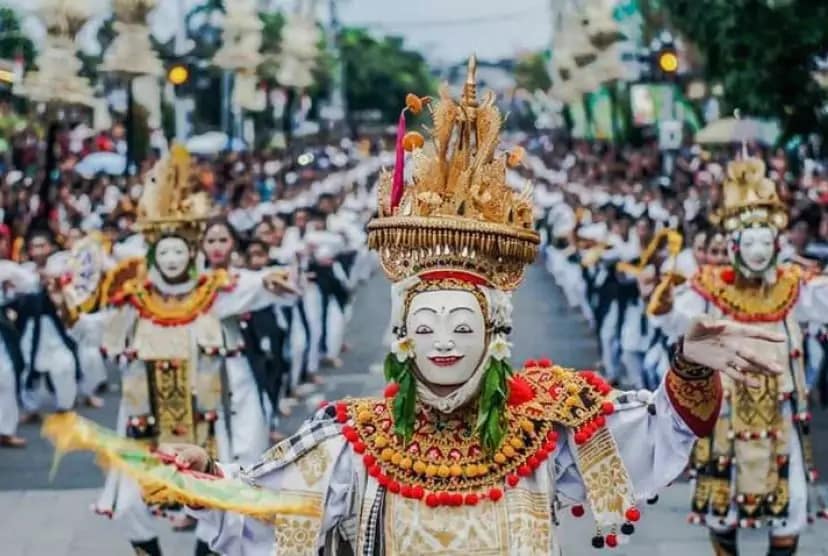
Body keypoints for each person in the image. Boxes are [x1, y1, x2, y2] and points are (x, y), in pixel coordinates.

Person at [130, 61, 782, 555]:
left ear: (495, 332)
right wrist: (205, 477)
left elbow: (658, 433)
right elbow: (262, 504)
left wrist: (688, 364)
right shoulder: (354, 440)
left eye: (462, 325)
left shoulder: (543, 427)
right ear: (403, 336)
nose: (444, 341)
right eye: (428, 325)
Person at [85, 146, 297, 556]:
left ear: (191, 254)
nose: (171, 258)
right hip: (147, 423)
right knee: (129, 506)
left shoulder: (213, 293)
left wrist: (272, 280)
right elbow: (96, 328)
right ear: (152, 255)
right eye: (163, 251)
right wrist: (72, 311)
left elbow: (255, 285)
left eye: (178, 250)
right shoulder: (135, 300)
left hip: (207, 423)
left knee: (212, 502)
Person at [649, 154, 828, 556]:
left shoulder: (794, 286)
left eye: (765, 241)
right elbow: (677, 321)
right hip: (726, 415)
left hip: (780, 416)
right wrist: (664, 302)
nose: (758, 251)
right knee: (722, 507)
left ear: (777, 244)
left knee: (791, 504)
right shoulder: (711, 288)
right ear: (733, 246)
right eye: (749, 242)